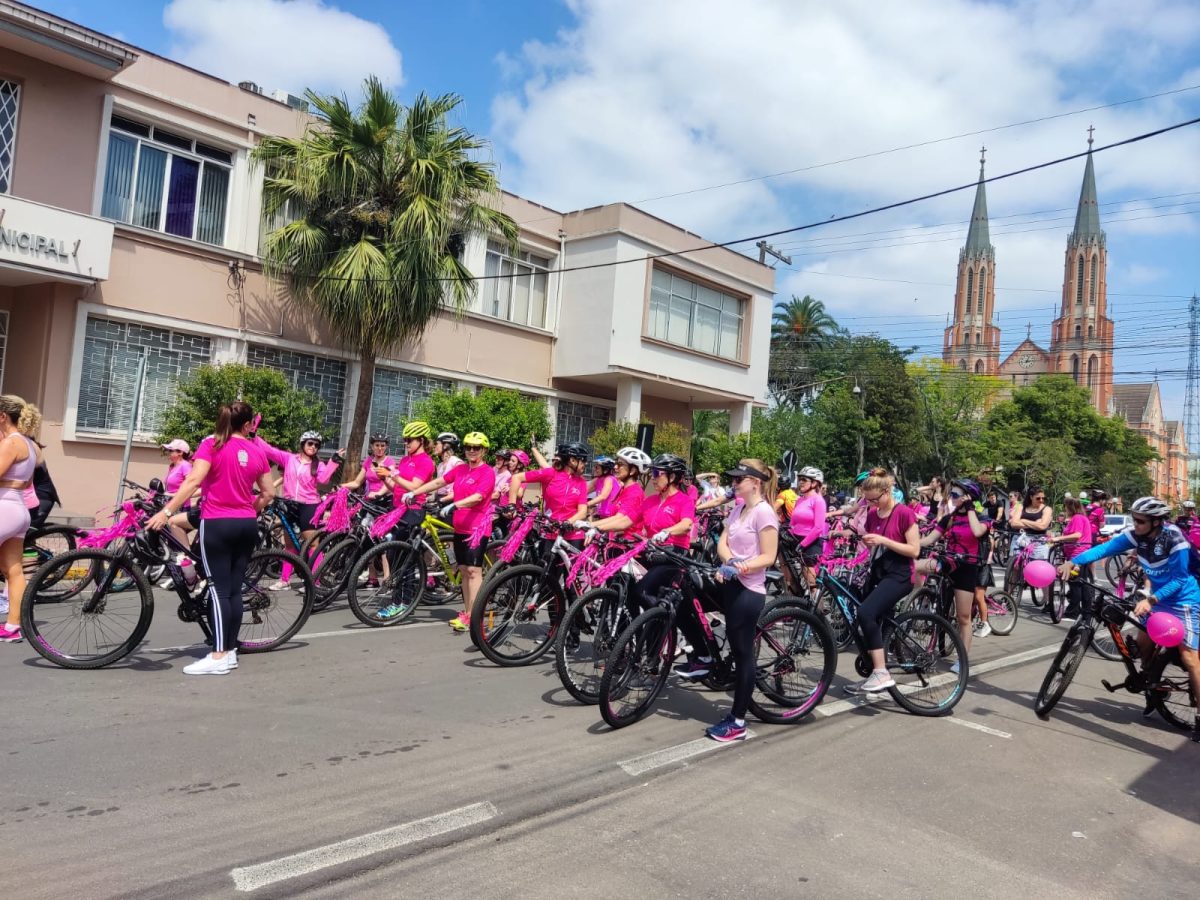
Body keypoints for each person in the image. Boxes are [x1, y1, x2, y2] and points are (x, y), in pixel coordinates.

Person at [147, 401, 274, 675]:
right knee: (233, 590)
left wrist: (166, 512)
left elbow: (193, 481)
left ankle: (218, 655)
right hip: (247, 525)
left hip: (216, 523)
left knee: (217, 589)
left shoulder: (212, 445)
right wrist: (247, 511)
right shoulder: (257, 451)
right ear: (249, 424)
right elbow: (267, 494)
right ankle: (229, 652)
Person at [1059, 497, 1200, 740]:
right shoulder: (1137, 536)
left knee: (1190, 658)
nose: (1135, 525)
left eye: (1140, 521)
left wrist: (1150, 600)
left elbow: (1179, 580)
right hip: (1158, 599)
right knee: (1143, 646)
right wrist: (1073, 561)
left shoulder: (1174, 538)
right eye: (1133, 520)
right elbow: (1105, 548)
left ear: (1156, 521)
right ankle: (1151, 685)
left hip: (1183, 601)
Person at [695, 460, 779, 743]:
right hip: (730, 582)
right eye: (732, 480)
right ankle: (702, 656)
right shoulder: (738, 509)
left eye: (738, 480)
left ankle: (738, 721)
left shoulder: (764, 513)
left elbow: (769, 556)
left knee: (743, 654)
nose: (733, 484)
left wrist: (741, 567)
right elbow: (722, 542)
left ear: (755, 482)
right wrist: (728, 561)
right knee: (688, 591)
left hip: (750, 589)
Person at [404, 432, 496, 632]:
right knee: (463, 571)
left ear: (484, 450)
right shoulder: (461, 469)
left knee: (473, 571)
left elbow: (478, 497)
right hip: (460, 526)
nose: (472, 451)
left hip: (477, 528)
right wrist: (414, 492)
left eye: (476, 447)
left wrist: (455, 505)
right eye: (468, 447)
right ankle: (467, 611)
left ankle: (474, 615)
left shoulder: (487, 471)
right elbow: (439, 483)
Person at [846, 468, 921, 693]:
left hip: (899, 575)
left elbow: (914, 550)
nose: (871, 504)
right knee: (864, 616)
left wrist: (884, 540)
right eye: (867, 500)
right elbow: (873, 547)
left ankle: (881, 672)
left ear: (887, 492)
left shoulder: (904, 513)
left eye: (875, 499)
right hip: (877, 572)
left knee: (866, 613)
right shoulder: (871, 515)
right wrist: (869, 544)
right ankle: (873, 672)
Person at [258, 430, 345, 591]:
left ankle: (314, 581)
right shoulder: (289, 459)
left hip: (309, 505)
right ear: (303, 444)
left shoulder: (318, 464)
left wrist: (334, 462)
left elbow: (323, 479)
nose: (313, 447)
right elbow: (269, 451)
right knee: (289, 545)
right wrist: (253, 435)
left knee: (313, 544)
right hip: (290, 505)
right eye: (310, 443)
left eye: (316, 445)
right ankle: (284, 580)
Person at [919, 479, 988, 667]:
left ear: (968, 498)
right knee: (915, 565)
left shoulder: (983, 518)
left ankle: (962, 660)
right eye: (952, 495)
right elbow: (930, 539)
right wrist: (908, 544)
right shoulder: (950, 517)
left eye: (956, 495)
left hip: (967, 566)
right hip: (948, 561)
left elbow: (976, 532)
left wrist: (971, 508)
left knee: (963, 617)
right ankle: (915, 600)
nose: (952, 498)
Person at [0, 396, 42, 641]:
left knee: (12, 570)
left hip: (4, 506)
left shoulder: (10, 443)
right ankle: (14, 627)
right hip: (18, 508)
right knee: (12, 570)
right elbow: (25, 482)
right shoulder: (30, 445)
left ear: (3, 416)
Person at [583, 446, 651, 538]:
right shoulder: (624, 489)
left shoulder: (634, 493)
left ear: (632, 471)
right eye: (616, 463)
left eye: (620, 464)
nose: (615, 467)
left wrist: (591, 525)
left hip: (626, 545)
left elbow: (619, 518)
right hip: (615, 541)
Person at [1049, 496, 1093, 619]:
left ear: (1070, 507)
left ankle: (1073, 611)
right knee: (1081, 583)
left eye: (1066, 507)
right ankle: (1085, 611)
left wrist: (1059, 538)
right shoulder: (1079, 518)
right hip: (1077, 553)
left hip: (1078, 553)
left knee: (1075, 583)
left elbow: (1077, 535)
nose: (1065, 509)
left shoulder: (1078, 518)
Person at [788, 467, 827, 594]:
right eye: (799, 479)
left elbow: (818, 528)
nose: (800, 482)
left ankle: (818, 609)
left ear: (814, 483)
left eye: (804, 480)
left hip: (811, 541)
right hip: (797, 539)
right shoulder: (800, 500)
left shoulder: (818, 500)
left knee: (809, 577)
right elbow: (793, 523)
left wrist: (803, 544)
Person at [381, 421, 437, 504]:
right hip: (396, 506)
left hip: (412, 508)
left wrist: (391, 474)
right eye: (404, 440)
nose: (406, 443)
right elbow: (396, 488)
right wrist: (383, 478)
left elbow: (414, 488)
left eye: (409, 440)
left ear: (421, 440)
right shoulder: (404, 460)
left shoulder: (426, 461)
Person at [341, 433, 397, 502]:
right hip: (369, 498)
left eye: (382, 446)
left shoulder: (390, 462)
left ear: (386, 447)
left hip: (384, 498)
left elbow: (390, 482)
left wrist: (379, 493)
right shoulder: (368, 461)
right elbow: (356, 483)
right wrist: (340, 486)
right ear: (372, 446)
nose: (380, 448)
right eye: (377, 445)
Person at [433, 432, 462, 499]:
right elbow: (439, 485)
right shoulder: (440, 465)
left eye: (436, 443)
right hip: (441, 499)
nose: (434, 446)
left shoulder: (456, 462)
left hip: (452, 500)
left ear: (445, 446)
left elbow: (461, 487)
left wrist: (443, 500)